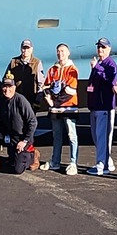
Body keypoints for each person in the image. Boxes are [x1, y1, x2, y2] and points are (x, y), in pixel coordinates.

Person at [0, 74, 38, 173]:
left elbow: (33, 122)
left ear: (14, 88)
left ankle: (33, 155)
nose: (7, 89)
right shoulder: (1, 101)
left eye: (10, 87)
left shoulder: (20, 100)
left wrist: (25, 141)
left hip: (21, 138)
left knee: (18, 169)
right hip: (8, 134)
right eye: (5, 86)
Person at [43, 42, 81, 173]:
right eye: (58, 51)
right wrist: (48, 96)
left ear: (68, 53)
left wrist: (54, 102)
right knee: (56, 136)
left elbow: (70, 90)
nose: (60, 53)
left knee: (72, 135)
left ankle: (73, 163)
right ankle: (55, 161)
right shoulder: (52, 70)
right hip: (55, 109)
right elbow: (46, 86)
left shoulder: (72, 70)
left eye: (63, 51)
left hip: (68, 108)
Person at [84, 39, 117, 176]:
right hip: (95, 106)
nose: (100, 50)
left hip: (105, 107)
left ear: (109, 49)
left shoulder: (110, 64)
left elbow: (110, 80)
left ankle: (102, 166)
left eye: (103, 47)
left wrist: (96, 68)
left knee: (103, 137)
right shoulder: (99, 63)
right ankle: (107, 162)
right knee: (97, 137)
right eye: (99, 47)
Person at [6, 39, 45, 145]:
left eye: (27, 48)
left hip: (30, 98)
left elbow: (41, 82)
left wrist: (38, 99)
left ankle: (29, 146)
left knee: (30, 124)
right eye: (24, 48)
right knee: (16, 122)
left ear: (31, 49)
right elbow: (7, 79)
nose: (25, 51)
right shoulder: (13, 62)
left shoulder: (37, 63)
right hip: (16, 98)